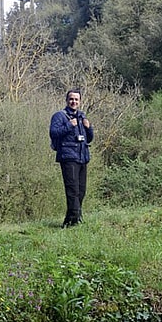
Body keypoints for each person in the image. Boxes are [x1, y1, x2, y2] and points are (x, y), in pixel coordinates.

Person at [49, 89, 94, 228]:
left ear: (80, 101)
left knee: (81, 191)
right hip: (68, 157)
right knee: (72, 190)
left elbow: (89, 138)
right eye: (71, 99)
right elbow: (53, 133)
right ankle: (74, 221)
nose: (74, 101)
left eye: (76, 99)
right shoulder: (59, 116)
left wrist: (89, 128)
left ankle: (71, 220)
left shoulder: (82, 117)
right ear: (67, 100)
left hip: (82, 157)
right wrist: (69, 125)